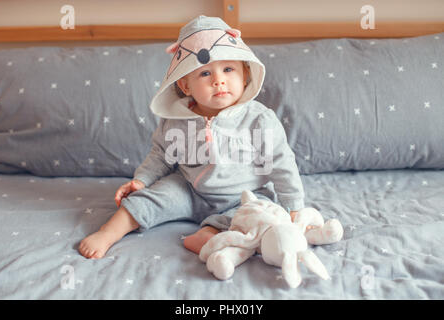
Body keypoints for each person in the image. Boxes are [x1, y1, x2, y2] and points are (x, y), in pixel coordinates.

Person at [78, 15, 305, 259]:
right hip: (187, 188)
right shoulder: (177, 118)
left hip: (243, 194)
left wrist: (293, 206)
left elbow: (281, 163)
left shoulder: (259, 119)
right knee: (148, 199)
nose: (219, 80)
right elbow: (161, 156)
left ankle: (209, 233)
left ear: (244, 76)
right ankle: (108, 232)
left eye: (228, 69)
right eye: (205, 74)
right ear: (186, 86)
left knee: (261, 213)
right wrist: (141, 180)